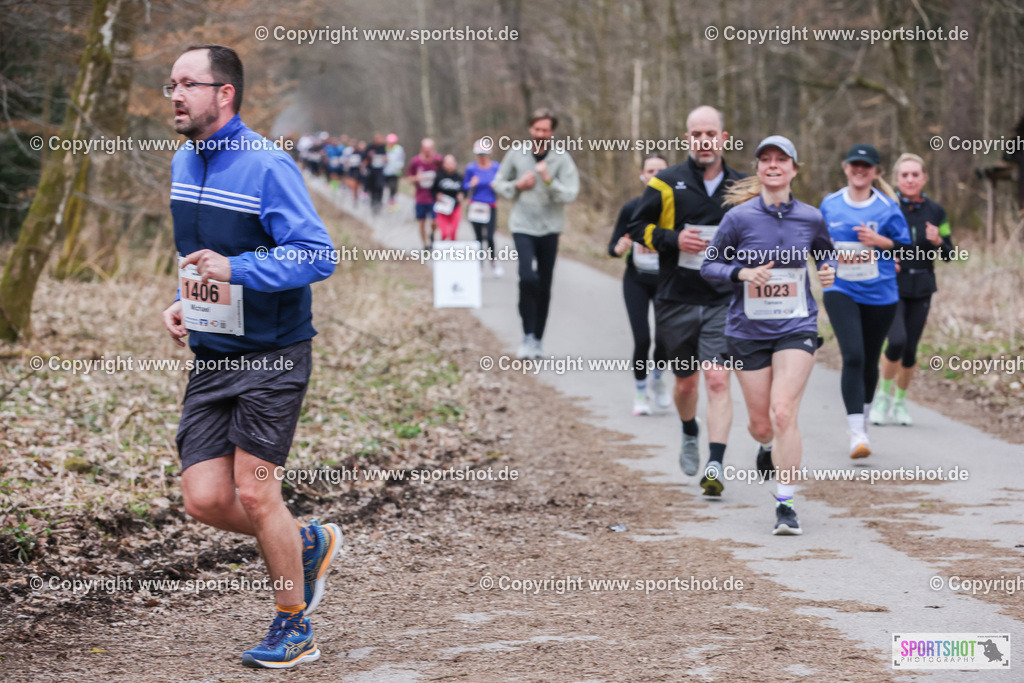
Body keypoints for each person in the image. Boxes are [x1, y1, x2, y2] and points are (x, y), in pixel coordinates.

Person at [161, 44, 341, 669]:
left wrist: (236, 268)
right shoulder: (184, 159)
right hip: (214, 353)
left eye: (188, 84)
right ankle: (307, 541)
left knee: (258, 493)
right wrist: (183, 301)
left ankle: (294, 625)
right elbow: (199, 257)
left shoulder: (267, 166)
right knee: (205, 499)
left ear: (225, 93)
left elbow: (318, 255)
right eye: (171, 85)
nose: (176, 95)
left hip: (273, 352)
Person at [703, 136, 836, 533]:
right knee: (762, 425)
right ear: (758, 169)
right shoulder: (738, 219)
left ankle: (785, 505)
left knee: (783, 412)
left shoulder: (811, 217)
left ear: (794, 169)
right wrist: (741, 273)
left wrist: (829, 270)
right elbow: (709, 266)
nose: (773, 165)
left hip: (797, 326)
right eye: (766, 160)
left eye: (782, 160)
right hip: (748, 330)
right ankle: (765, 447)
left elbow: (825, 252)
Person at [628, 105, 744, 494]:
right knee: (686, 384)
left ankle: (715, 465)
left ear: (723, 139)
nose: (704, 141)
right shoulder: (665, 182)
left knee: (716, 380)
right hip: (675, 297)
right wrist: (673, 239)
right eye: (697, 135)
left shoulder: (743, 187)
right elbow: (637, 227)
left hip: (722, 299)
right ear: (687, 138)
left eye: (711, 134)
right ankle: (689, 430)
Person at [820, 144, 911, 459]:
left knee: (871, 359)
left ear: (875, 172)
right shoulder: (829, 204)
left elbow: (906, 249)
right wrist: (823, 264)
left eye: (866, 166)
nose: (860, 171)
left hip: (881, 293)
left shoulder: (887, 207)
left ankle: (865, 418)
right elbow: (819, 245)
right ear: (845, 167)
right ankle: (856, 431)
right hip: (841, 289)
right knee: (854, 356)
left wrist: (880, 242)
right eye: (854, 165)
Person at [870, 153, 955, 426]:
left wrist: (938, 240)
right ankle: (882, 397)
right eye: (904, 175)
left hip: (922, 286)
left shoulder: (936, 211)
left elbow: (950, 254)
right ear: (896, 179)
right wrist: (885, 258)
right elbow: (870, 245)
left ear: (924, 178)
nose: (910, 179)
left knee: (910, 350)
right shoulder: (885, 206)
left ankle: (900, 401)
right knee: (896, 341)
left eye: (915, 174)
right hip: (892, 285)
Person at [493, 108, 580, 359]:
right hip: (522, 226)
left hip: (550, 228)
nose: (541, 133)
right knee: (527, 277)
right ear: (531, 129)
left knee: (544, 284)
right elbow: (499, 183)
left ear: (551, 132)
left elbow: (571, 193)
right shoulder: (516, 153)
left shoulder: (561, 158)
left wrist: (549, 180)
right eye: (537, 129)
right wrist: (517, 185)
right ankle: (526, 334)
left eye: (546, 129)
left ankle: (537, 339)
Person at [609, 154, 671, 415]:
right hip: (635, 281)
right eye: (650, 170)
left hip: (667, 282)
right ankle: (641, 391)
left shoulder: (676, 208)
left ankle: (657, 378)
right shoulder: (631, 208)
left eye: (660, 171)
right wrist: (618, 247)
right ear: (642, 176)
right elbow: (612, 247)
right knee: (643, 339)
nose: (655, 175)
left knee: (666, 339)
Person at [464, 138, 503, 276]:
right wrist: (471, 184)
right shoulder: (471, 168)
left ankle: (493, 262)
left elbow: (503, 185)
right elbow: (464, 186)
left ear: (489, 153)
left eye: (484, 154)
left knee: (490, 236)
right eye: (479, 154)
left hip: (490, 205)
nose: (482, 157)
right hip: (475, 205)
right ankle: (479, 265)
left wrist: (496, 186)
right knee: (478, 237)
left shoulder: (496, 167)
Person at [407, 138, 443, 250]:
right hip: (420, 197)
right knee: (422, 222)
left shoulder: (438, 161)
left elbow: (444, 175)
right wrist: (416, 178)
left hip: (434, 197)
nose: (428, 152)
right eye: (425, 149)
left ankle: (431, 235)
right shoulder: (415, 162)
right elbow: (409, 179)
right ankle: (426, 245)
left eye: (430, 149)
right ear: (421, 149)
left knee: (435, 221)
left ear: (433, 149)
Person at [432, 154, 464, 241]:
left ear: (455, 164)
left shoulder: (459, 177)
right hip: (443, 208)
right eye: (447, 163)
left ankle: (453, 252)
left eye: (451, 163)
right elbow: (433, 190)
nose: (449, 165)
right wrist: (437, 195)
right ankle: (442, 252)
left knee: (453, 232)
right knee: (445, 233)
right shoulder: (439, 176)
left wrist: (462, 195)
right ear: (444, 164)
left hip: (455, 207)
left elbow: (464, 191)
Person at [365, 132, 387, 213]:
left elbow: (388, 158)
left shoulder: (384, 147)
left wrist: (385, 158)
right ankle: (373, 201)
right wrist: (369, 156)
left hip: (380, 171)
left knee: (380, 186)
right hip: (372, 171)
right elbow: (364, 156)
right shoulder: (370, 147)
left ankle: (379, 201)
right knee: (372, 187)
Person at [383, 133, 405, 210]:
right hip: (385, 171)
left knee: (393, 187)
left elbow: (401, 159)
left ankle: (392, 201)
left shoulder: (399, 149)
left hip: (395, 172)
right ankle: (385, 200)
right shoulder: (384, 149)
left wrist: (399, 167)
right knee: (386, 187)